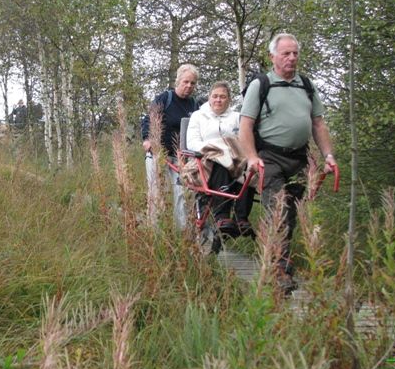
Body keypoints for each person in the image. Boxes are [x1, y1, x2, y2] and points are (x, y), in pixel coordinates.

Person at [239, 33, 337, 293]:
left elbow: (318, 123)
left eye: (295, 53)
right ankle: (278, 269)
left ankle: (278, 259)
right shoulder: (261, 85)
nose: (292, 58)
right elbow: (245, 125)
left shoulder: (306, 85)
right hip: (269, 157)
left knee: (292, 212)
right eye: (286, 53)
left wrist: (328, 155)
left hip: (299, 158)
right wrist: (251, 157)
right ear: (273, 57)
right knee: (277, 209)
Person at [186, 81, 253, 238]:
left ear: (229, 99)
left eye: (222, 97)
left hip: (236, 159)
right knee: (221, 162)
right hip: (207, 159)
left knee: (250, 167)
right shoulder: (198, 116)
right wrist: (217, 148)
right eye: (215, 96)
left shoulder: (237, 117)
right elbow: (193, 143)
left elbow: (244, 140)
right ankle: (221, 215)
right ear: (209, 98)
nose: (218, 100)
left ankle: (241, 218)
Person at [141, 64, 200, 229]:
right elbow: (149, 119)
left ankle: (182, 232)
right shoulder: (164, 99)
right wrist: (147, 139)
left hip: (182, 158)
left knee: (183, 193)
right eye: (186, 81)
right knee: (156, 192)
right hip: (159, 154)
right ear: (178, 81)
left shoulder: (194, 105)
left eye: (192, 83)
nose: (189, 86)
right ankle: (154, 232)